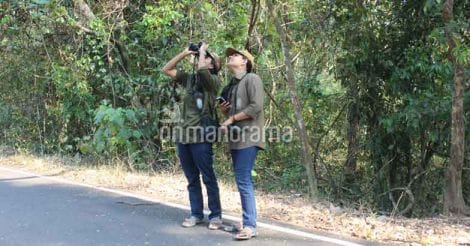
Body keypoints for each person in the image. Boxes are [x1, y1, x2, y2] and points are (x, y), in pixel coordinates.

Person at [161, 43, 223, 230]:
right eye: (201, 57)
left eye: (206, 58)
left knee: (208, 177)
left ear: (212, 65)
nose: (201, 59)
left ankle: (215, 215)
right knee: (192, 179)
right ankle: (196, 213)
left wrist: (203, 51)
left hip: (201, 136)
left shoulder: (212, 81)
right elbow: (167, 69)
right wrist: (185, 52)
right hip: (184, 136)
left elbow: (203, 72)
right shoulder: (189, 79)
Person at [219, 48, 265, 240]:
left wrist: (230, 120)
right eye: (230, 55)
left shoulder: (252, 79)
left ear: (245, 61)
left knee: (244, 179)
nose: (230, 56)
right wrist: (225, 112)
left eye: (235, 55)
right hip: (237, 139)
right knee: (241, 180)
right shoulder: (232, 85)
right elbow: (232, 115)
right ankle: (246, 221)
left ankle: (250, 225)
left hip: (250, 137)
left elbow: (256, 107)